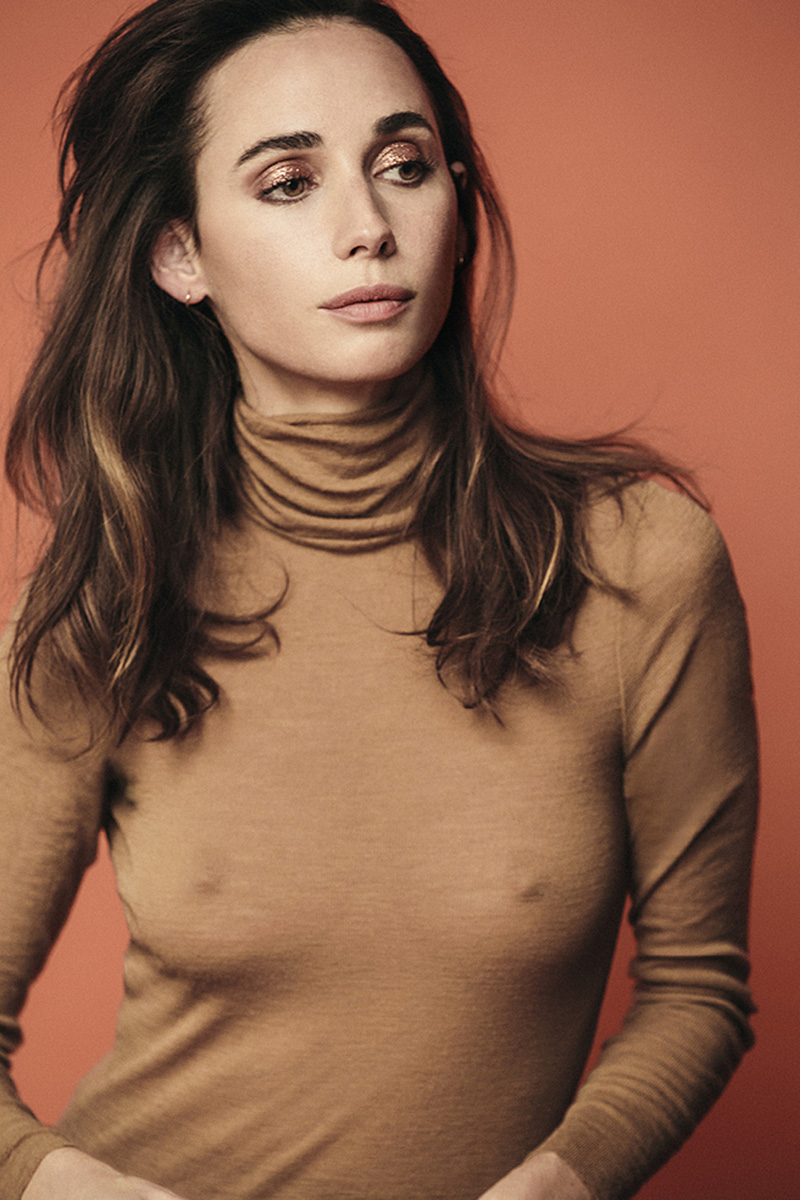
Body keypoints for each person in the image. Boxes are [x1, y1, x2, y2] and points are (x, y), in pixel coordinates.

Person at [0, 1, 758, 1198]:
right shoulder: (112, 594)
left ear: (454, 206)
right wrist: (66, 1187)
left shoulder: (636, 563)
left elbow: (695, 988)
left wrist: (557, 1185)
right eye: (288, 183)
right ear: (179, 255)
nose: (367, 229)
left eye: (402, 166)